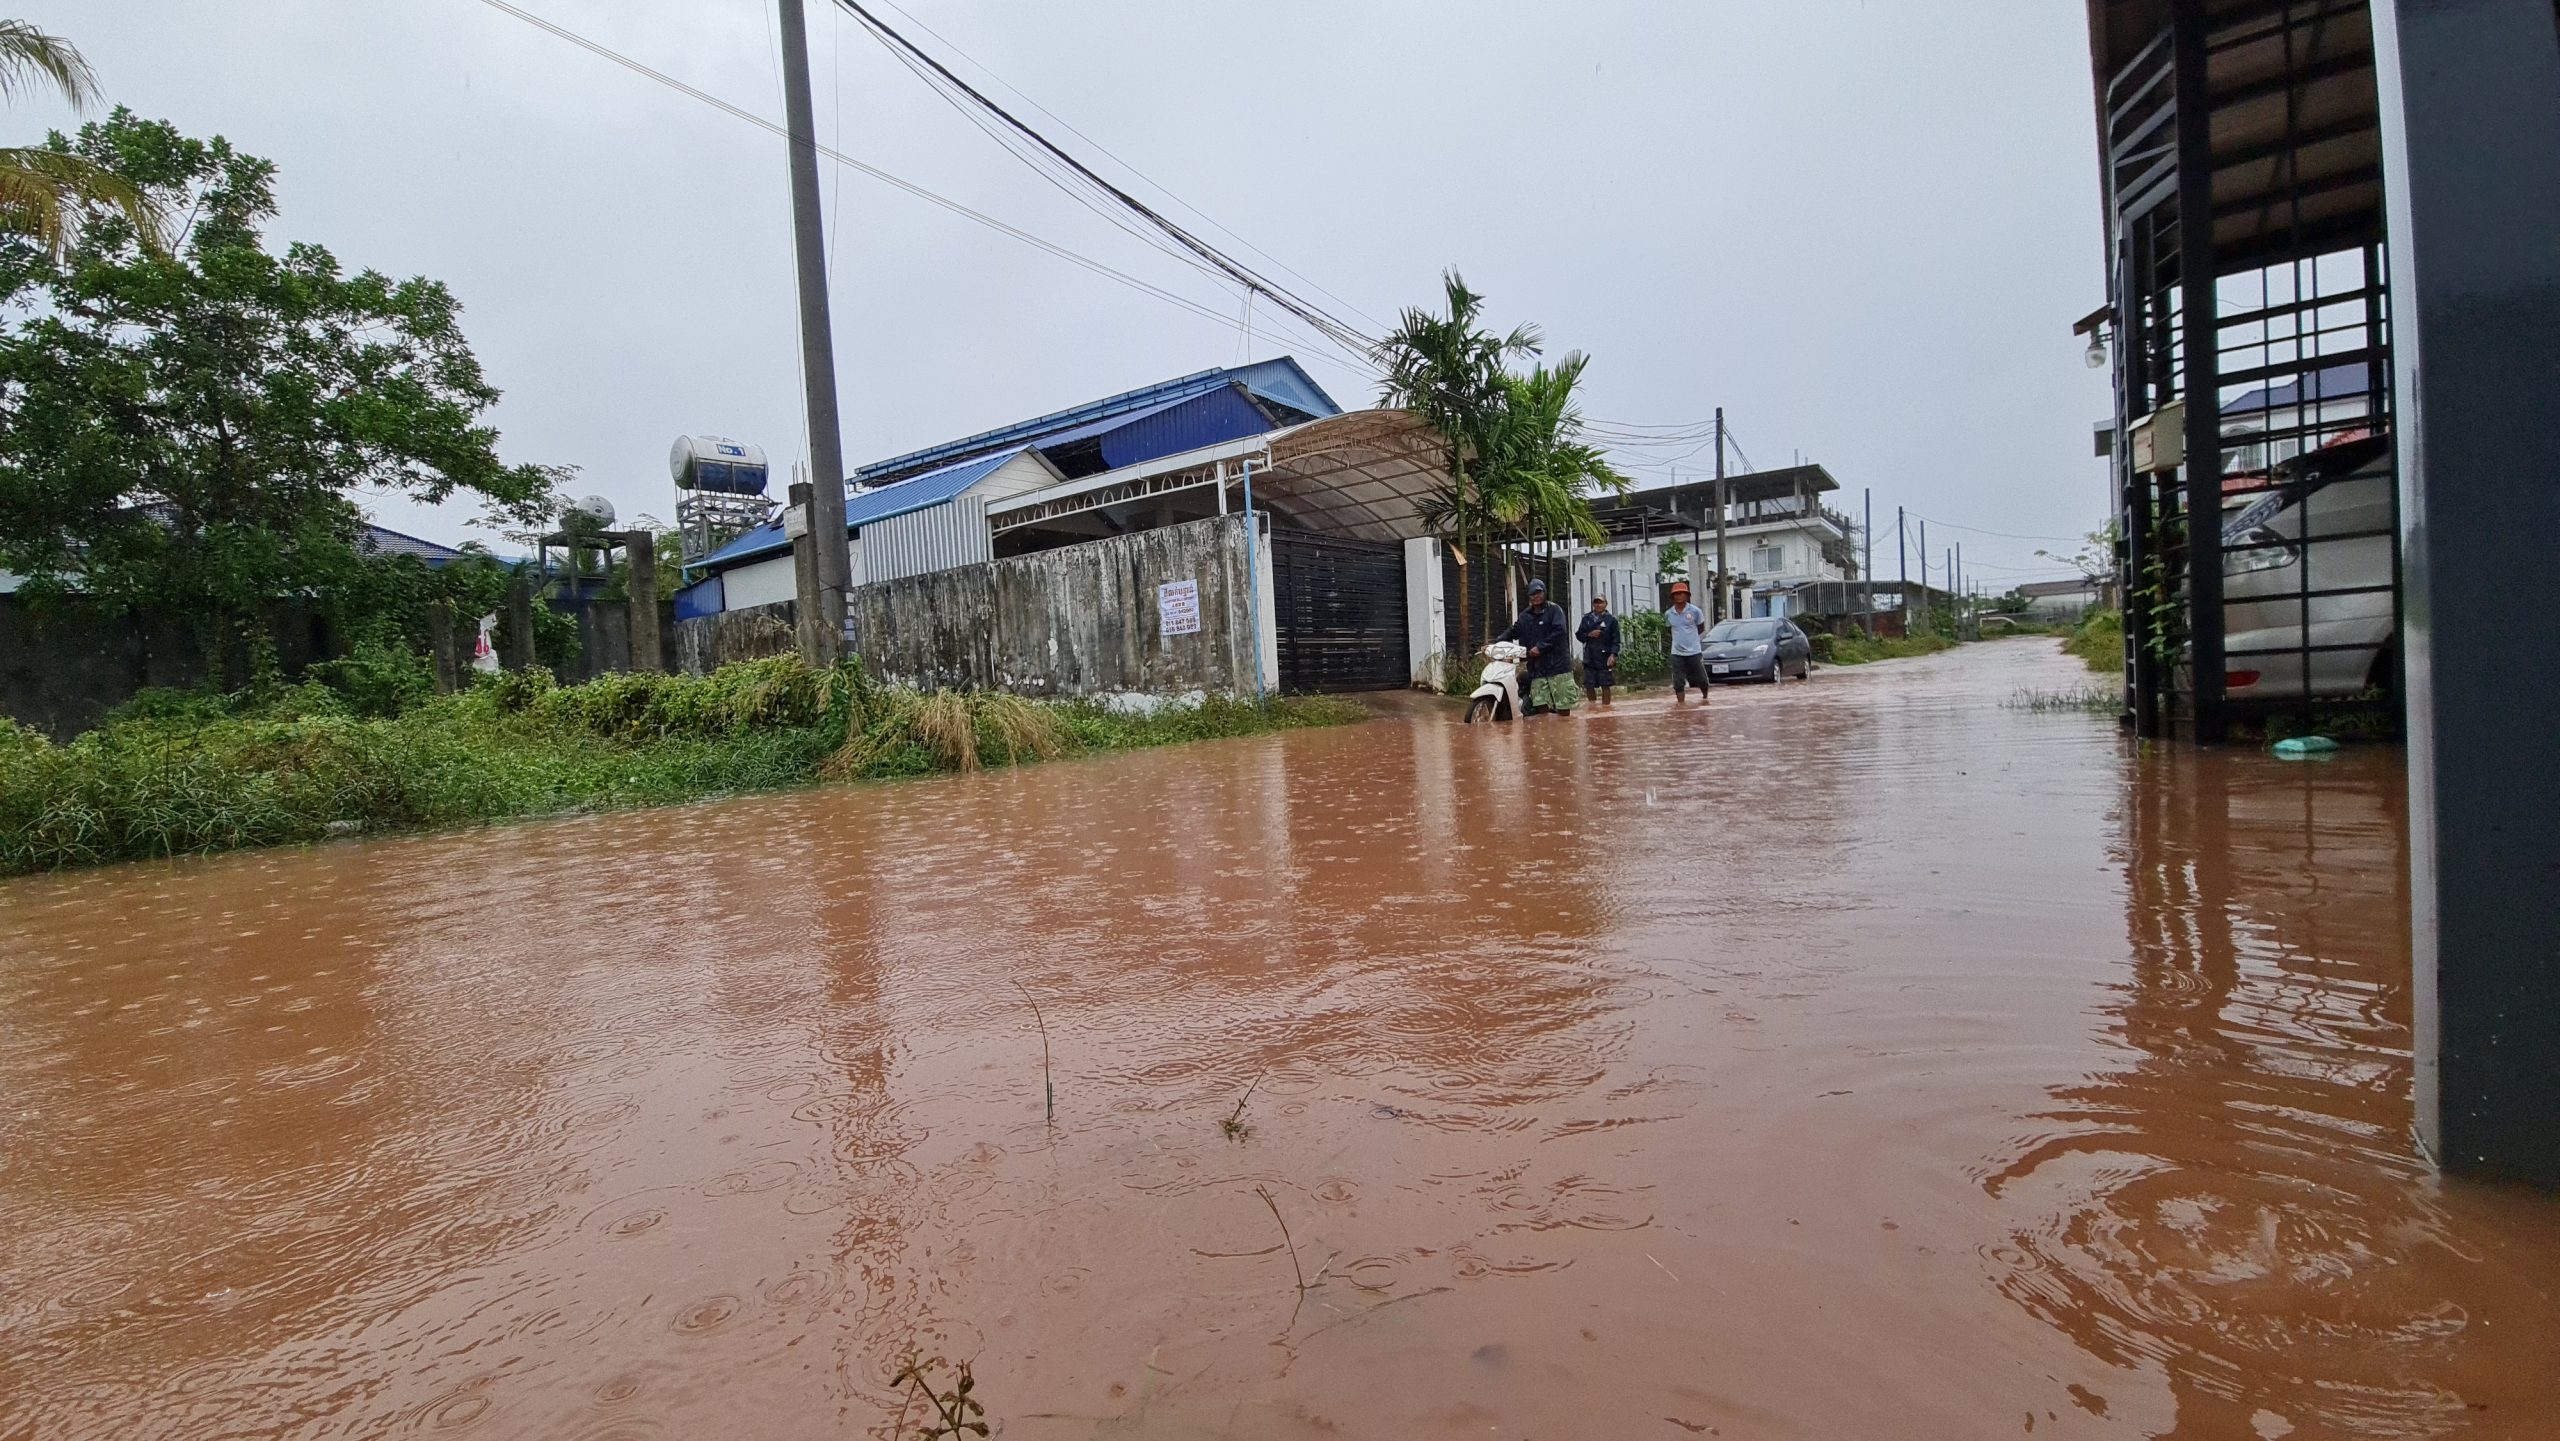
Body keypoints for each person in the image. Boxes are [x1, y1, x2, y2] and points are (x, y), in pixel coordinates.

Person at [1500, 578, 1576, 716]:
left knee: (1563, 707)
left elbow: (1559, 632)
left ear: (1544, 593)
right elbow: (1514, 631)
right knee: (1540, 705)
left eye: (1538, 593)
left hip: (1558, 667)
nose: (1536, 596)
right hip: (1537, 669)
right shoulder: (1525, 616)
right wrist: (1497, 642)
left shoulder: (1555, 610)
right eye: (1532, 594)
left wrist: (1540, 647)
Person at [1664, 580, 1711, 705]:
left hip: (1694, 651)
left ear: (1687, 595)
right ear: (1672, 597)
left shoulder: (1695, 611)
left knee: (1701, 678)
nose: (1679, 596)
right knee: (1678, 681)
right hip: (1677, 652)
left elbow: (1701, 628)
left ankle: (1705, 697)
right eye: (1676, 594)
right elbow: (1668, 629)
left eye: (1681, 593)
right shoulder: (1669, 614)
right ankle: (1681, 704)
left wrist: (1691, 638)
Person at [1577, 592, 1621, 707]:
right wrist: (1589, 634)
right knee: (1589, 684)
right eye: (1596, 602)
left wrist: (1613, 655)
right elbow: (1579, 635)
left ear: (1606, 604)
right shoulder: (1586, 618)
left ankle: (1606, 708)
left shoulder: (1611, 620)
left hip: (1604, 657)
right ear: (1593, 604)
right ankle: (1592, 708)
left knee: (1605, 684)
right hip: (1590, 656)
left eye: (1601, 602)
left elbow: (1616, 640)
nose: (1598, 605)